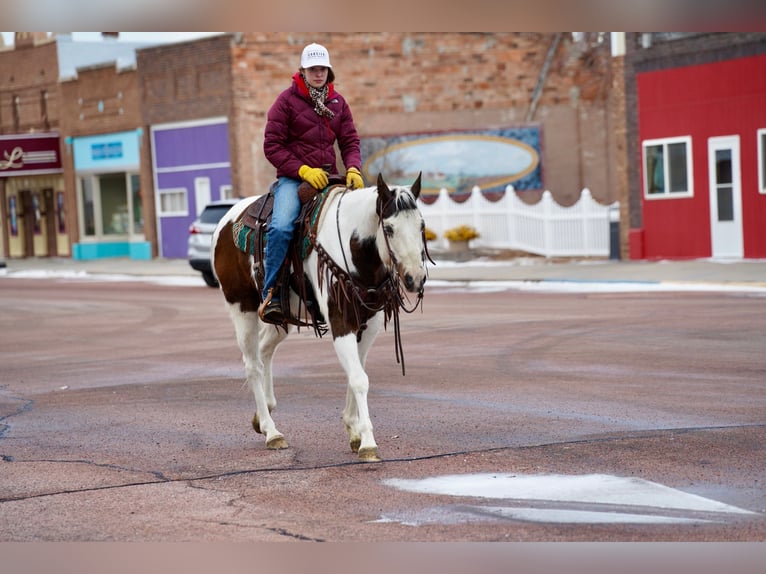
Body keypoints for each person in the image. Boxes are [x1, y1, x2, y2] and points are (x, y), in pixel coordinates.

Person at [259, 42, 364, 324]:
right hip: (294, 180)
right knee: (281, 227)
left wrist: (353, 168)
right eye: (312, 69)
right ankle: (272, 293)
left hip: (331, 177)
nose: (318, 73)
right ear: (302, 71)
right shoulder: (286, 101)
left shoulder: (338, 102)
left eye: (322, 69)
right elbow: (272, 147)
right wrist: (302, 169)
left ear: (328, 71)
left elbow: (350, 141)